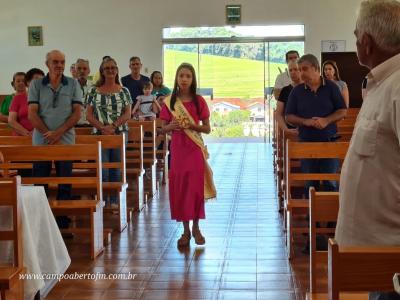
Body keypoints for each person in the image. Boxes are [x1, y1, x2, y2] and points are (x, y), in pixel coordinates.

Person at [335, 1, 400, 299]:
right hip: (377, 257)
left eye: (356, 34)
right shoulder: (381, 83)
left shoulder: (398, 87)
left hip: (392, 261)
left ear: (366, 42)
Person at [160, 63, 216, 248]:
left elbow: (207, 128)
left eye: (188, 76)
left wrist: (191, 126)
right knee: (181, 188)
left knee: (195, 188)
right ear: (176, 78)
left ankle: (197, 227)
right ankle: (185, 230)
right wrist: (171, 126)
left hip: (194, 149)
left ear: (192, 80)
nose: (184, 79)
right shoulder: (170, 101)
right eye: (181, 75)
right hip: (178, 149)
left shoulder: (199, 101)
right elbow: (161, 127)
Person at [28, 50, 82, 228]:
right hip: (41, 140)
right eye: (55, 62)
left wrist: (59, 132)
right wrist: (48, 134)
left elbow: (76, 113)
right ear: (47, 64)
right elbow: (32, 113)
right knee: (40, 180)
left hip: (65, 139)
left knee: (64, 180)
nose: (59, 65)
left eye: (62, 62)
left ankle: (62, 218)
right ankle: (41, 220)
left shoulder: (73, 84)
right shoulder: (36, 85)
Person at [285, 54, 347, 194]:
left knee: (331, 182)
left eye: (304, 69)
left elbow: (342, 111)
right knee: (309, 183)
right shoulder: (297, 91)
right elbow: (289, 116)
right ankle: (310, 215)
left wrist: (326, 120)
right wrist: (304, 121)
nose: (301, 73)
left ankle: (330, 215)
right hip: (307, 142)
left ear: (316, 68)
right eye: (299, 70)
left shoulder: (331, 87)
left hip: (329, 141)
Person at [86, 57, 132, 205]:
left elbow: (127, 113)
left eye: (113, 68)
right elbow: (88, 115)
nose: (110, 70)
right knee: (103, 168)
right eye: (107, 68)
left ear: (117, 70)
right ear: (102, 71)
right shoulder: (93, 90)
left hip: (119, 133)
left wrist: (113, 126)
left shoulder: (124, 91)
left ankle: (115, 201)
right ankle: (103, 200)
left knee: (116, 168)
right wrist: (102, 127)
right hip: (99, 134)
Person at [8, 69, 44, 136]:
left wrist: (38, 133)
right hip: (22, 137)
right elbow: (11, 120)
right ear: (27, 82)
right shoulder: (17, 98)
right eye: (36, 80)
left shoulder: (48, 98)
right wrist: (27, 133)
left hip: (43, 136)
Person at [275, 60, 301, 135]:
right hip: (290, 130)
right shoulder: (285, 90)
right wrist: (285, 129)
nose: (293, 72)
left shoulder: (309, 88)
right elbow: (278, 114)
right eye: (290, 70)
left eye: (296, 69)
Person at [75, 58, 92, 126]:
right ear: (75, 70)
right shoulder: (69, 88)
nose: (82, 71)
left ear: (89, 71)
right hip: (74, 126)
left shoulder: (94, 88)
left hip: (91, 125)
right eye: (79, 68)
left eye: (85, 68)